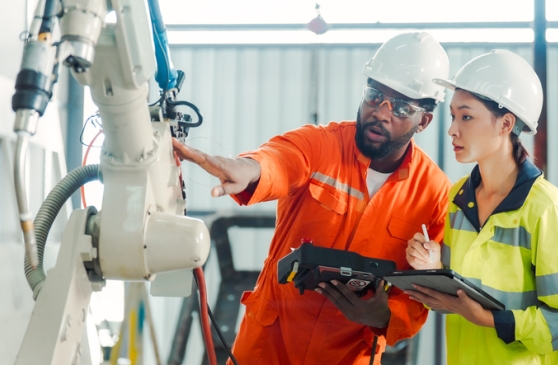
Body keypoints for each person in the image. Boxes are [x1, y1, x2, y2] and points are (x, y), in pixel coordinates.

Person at [173, 32, 452, 365]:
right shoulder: (322, 145)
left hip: (348, 356)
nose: (381, 112)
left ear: (424, 120)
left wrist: (383, 315)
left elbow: (422, 291)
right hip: (266, 349)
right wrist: (247, 168)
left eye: (402, 106)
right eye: (374, 95)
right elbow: (281, 159)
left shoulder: (433, 194)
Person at [405, 49, 558, 364]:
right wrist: (435, 269)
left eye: (466, 116)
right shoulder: (458, 198)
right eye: (453, 116)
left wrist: (490, 320)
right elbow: (459, 299)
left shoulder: (546, 209)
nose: (453, 129)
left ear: (505, 123)